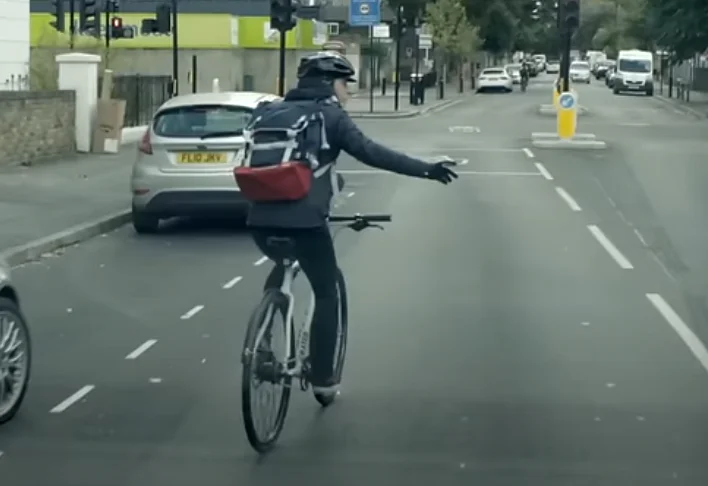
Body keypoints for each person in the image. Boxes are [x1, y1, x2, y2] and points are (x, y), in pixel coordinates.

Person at [246, 52, 458, 397]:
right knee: (327, 291)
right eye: (346, 84)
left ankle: (265, 337)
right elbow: (373, 153)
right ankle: (323, 380)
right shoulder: (331, 117)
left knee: (282, 265)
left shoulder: (268, 113)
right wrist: (427, 169)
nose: (348, 92)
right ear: (331, 84)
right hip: (305, 222)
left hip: (258, 218)